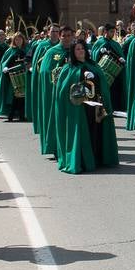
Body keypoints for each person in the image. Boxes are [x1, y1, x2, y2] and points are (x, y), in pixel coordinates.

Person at [53, 39, 119, 174]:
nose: (80, 51)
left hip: (95, 105)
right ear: (73, 52)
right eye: (77, 49)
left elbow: (103, 84)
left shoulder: (93, 65)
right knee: (83, 133)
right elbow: (64, 91)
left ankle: (96, 159)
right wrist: (80, 84)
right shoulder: (68, 69)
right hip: (79, 108)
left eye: (82, 48)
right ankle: (82, 161)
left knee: (96, 131)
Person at [36, 27, 75, 157]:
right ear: (59, 36)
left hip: (73, 92)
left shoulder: (77, 50)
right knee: (55, 118)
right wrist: (58, 74)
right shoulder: (52, 52)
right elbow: (44, 71)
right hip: (56, 91)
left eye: (69, 35)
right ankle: (55, 147)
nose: (67, 38)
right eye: (64, 35)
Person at [0, 31, 29, 122]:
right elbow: (5, 62)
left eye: (20, 39)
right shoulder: (10, 50)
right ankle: (10, 115)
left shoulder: (27, 49)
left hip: (24, 75)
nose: (18, 41)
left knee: (23, 97)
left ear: (23, 40)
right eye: (16, 40)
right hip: (13, 76)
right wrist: (5, 67)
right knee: (14, 96)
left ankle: (22, 115)